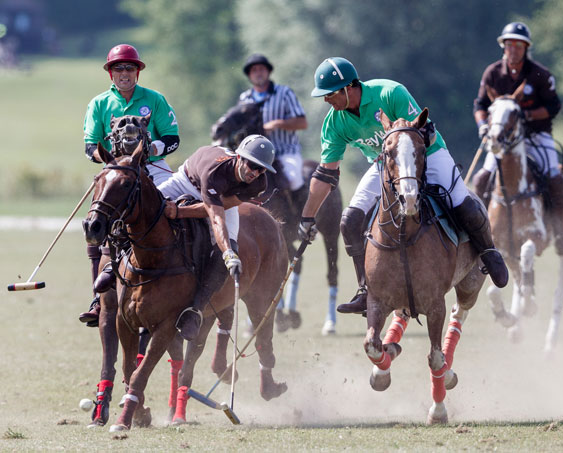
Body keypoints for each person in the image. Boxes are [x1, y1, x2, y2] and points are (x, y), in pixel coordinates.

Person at [298, 57, 509, 315]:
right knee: (350, 220)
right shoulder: (335, 122)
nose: (325, 101)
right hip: (386, 165)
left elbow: (425, 132)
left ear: (347, 88)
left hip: (428, 154)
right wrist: (308, 216)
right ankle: (365, 290)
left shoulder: (390, 92)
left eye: (329, 94)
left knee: (460, 201)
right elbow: (325, 174)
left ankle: (488, 252)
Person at [79, 43, 180, 326]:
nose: (124, 73)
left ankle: (185, 275)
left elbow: (172, 138)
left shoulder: (155, 99)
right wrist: (113, 159)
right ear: (110, 73)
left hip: (150, 168)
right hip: (115, 171)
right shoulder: (99, 104)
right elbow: (90, 146)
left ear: (138, 72)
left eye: (130, 68)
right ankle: (98, 299)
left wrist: (149, 148)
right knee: (95, 221)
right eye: (118, 68)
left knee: (173, 206)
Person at [158, 134, 277, 340]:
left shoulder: (259, 184)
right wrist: (175, 211)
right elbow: (214, 216)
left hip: (221, 201)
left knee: (229, 251)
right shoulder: (215, 170)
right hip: (187, 183)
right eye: (252, 165)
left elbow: (219, 211)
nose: (255, 173)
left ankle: (194, 312)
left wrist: (229, 252)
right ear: (240, 157)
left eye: (261, 169)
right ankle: (109, 270)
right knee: (145, 208)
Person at [471, 22, 563, 255]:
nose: (513, 49)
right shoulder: (493, 73)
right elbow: (480, 105)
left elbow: (553, 106)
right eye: (509, 44)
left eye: (518, 45)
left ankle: (560, 232)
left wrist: (526, 115)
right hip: (501, 138)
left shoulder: (540, 74)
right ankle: (476, 233)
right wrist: (483, 126)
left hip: (536, 135)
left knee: (555, 179)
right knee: (481, 179)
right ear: (503, 47)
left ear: (526, 48)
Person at [239, 53, 307, 199]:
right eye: (254, 70)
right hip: (254, 154)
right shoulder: (244, 98)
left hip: (284, 152)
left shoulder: (284, 93)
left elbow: (302, 122)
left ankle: (303, 217)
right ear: (249, 75)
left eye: (261, 69)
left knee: (294, 179)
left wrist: (278, 124)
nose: (258, 73)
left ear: (268, 72)